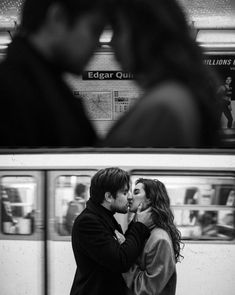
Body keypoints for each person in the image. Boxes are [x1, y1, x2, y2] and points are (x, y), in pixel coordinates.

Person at [103, 0, 220, 148]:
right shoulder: (178, 94)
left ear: (145, 34)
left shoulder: (162, 108)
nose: (111, 42)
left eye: (118, 30)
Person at [0, 0, 108, 147]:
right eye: (95, 30)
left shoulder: (41, 86)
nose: (98, 44)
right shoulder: (15, 92)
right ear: (58, 17)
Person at [70, 167, 151, 295]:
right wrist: (139, 225)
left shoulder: (105, 217)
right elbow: (121, 260)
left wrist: (136, 223)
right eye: (125, 193)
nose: (130, 197)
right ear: (108, 196)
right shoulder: (88, 223)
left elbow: (124, 247)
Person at [123, 178, 183, 295]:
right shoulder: (144, 232)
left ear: (150, 199)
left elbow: (146, 289)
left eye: (136, 192)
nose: (130, 197)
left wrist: (122, 262)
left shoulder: (159, 239)